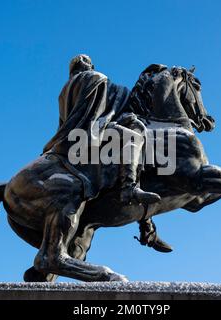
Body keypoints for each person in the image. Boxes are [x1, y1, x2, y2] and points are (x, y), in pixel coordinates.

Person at [42, 54, 172, 252]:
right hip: (93, 133)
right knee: (134, 138)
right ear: (89, 66)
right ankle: (129, 188)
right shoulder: (96, 78)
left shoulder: (63, 92)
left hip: (70, 142)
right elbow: (111, 105)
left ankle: (147, 227)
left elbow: (65, 123)